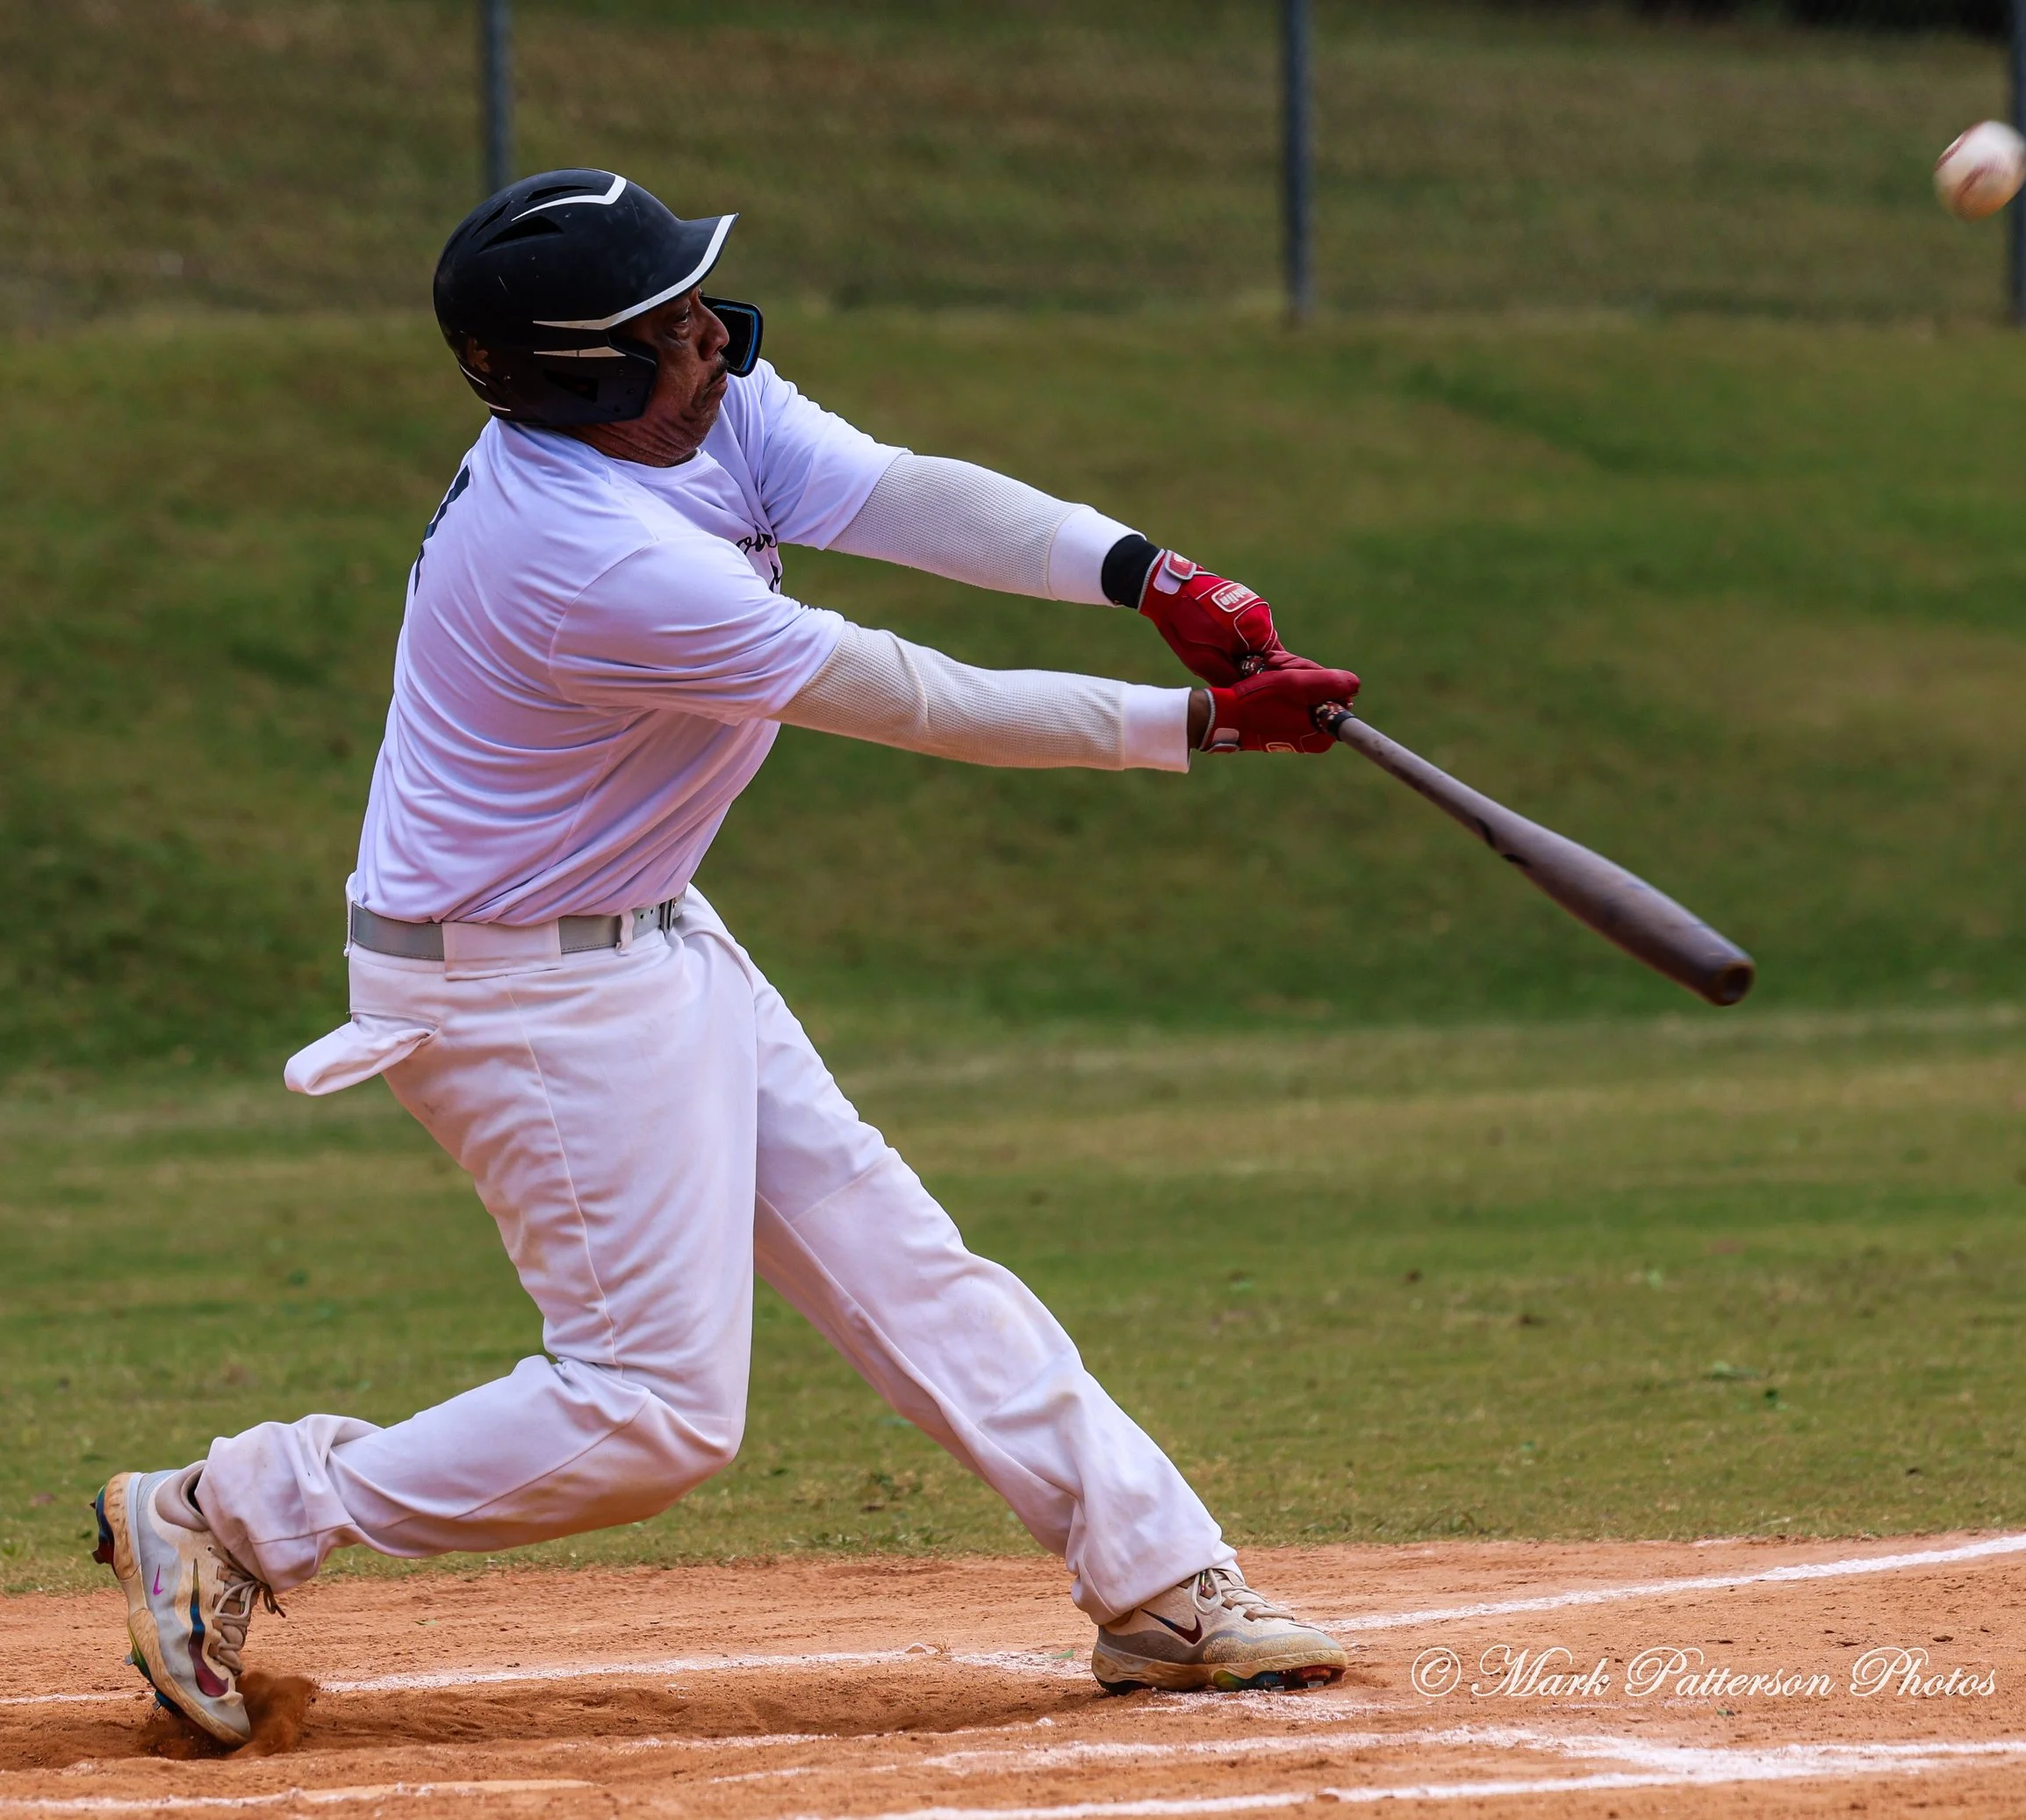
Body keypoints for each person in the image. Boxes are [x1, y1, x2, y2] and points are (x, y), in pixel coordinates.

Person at [91, 170, 1361, 1747]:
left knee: (907, 1264)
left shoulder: (691, 412)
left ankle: (1162, 1586)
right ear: (584, 378)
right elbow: (909, 694)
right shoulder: (586, 557)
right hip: (520, 995)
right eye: (668, 328)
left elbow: (893, 491)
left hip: (645, 931)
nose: (712, 339)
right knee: (651, 1414)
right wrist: (1192, 726)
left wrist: (1147, 574)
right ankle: (234, 1510)